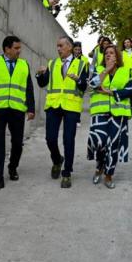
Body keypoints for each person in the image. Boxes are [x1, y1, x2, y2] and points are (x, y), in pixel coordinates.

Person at [0, 35, 35, 191]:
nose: (19, 51)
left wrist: (31, 108)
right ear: (7, 49)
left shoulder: (24, 65)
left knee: (17, 143)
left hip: (17, 110)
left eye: (20, 48)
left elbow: (29, 88)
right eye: (16, 48)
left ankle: (12, 167)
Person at [36, 36, 88, 188]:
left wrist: (79, 80)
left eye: (61, 46)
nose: (58, 49)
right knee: (50, 138)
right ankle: (57, 160)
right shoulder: (52, 63)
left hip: (71, 106)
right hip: (53, 105)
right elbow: (43, 83)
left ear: (70, 47)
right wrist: (39, 74)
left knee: (68, 140)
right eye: (57, 46)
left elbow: (84, 86)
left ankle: (67, 173)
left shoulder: (81, 64)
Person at [87, 46, 132, 188]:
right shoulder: (98, 70)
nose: (108, 55)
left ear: (117, 56)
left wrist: (109, 92)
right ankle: (99, 167)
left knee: (113, 144)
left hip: (118, 114)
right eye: (106, 53)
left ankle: (109, 175)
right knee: (100, 143)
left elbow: (131, 89)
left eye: (111, 53)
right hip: (100, 111)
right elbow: (93, 85)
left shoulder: (127, 71)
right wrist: (106, 70)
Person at [120, 38, 132, 116]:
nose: (127, 44)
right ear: (124, 44)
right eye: (125, 43)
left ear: (131, 43)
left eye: (128, 42)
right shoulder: (121, 53)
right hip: (124, 75)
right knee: (124, 92)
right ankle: (124, 108)